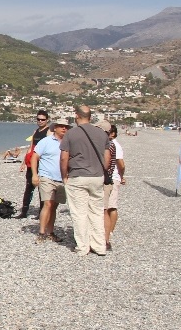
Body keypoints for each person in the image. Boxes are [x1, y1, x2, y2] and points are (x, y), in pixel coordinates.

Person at [60, 106, 111, 256]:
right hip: (97, 176)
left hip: (78, 176)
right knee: (96, 212)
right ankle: (99, 246)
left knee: (79, 213)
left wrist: (64, 175)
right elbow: (107, 157)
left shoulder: (71, 134)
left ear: (76, 116)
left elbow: (64, 157)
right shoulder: (102, 134)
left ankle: (83, 247)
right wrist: (101, 170)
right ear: (90, 117)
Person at [30, 118, 69, 243]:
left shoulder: (69, 143)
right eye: (61, 126)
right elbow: (34, 157)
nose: (64, 128)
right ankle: (41, 232)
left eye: (66, 127)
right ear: (55, 128)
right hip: (46, 177)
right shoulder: (46, 141)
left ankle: (50, 231)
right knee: (48, 204)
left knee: (54, 206)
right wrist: (34, 175)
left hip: (61, 179)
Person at [17, 110, 51, 218]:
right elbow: (31, 147)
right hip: (32, 163)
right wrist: (23, 162)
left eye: (42, 119)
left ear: (47, 120)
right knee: (29, 188)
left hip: (42, 164)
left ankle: (41, 213)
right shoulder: (35, 131)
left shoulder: (49, 132)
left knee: (41, 189)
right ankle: (24, 212)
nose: (40, 121)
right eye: (38, 119)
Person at [102, 124, 126, 250]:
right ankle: (107, 232)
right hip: (112, 177)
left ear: (113, 134)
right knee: (108, 206)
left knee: (111, 207)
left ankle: (109, 232)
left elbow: (121, 164)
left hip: (113, 178)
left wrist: (121, 176)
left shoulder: (114, 145)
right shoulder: (110, 144)